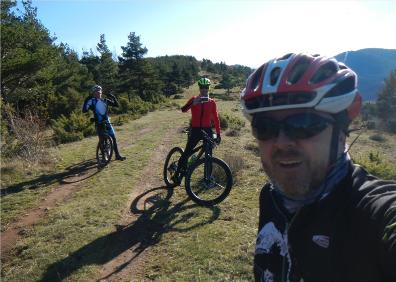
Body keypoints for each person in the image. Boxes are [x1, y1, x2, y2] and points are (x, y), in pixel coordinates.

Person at [240, 53, 396, 281]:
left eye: (303, 124)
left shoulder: (370, 212)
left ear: (342, 130)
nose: (282, 142)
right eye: (265, 127)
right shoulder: (271, 198)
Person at [173, 77, 221, 184]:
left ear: (208, 88)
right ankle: (177, 174)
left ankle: (207, 178)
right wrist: (193, 103)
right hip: (195, 130)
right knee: (187, 153)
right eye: (202, 87)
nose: (204, 89)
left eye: (206, 87)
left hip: (207, 130)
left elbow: (216, 119)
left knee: (209, 154)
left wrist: (218, 134)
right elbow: (183, 109)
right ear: (199, 88)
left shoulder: (212, 102)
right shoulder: (194, 99)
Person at [83, 85, 126, 161]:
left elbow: (116, 105)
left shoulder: (105, 100)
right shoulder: (92, 101)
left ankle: (117, 155)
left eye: (99, 91)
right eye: (96, 92)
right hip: (98, 123)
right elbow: (84, 110)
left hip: (107, 121)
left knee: (113, 138)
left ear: (101, 92)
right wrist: (86, 100)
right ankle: (103, 157)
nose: (98, 93)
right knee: (102, 140)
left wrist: (112, 96)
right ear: (93, 93)